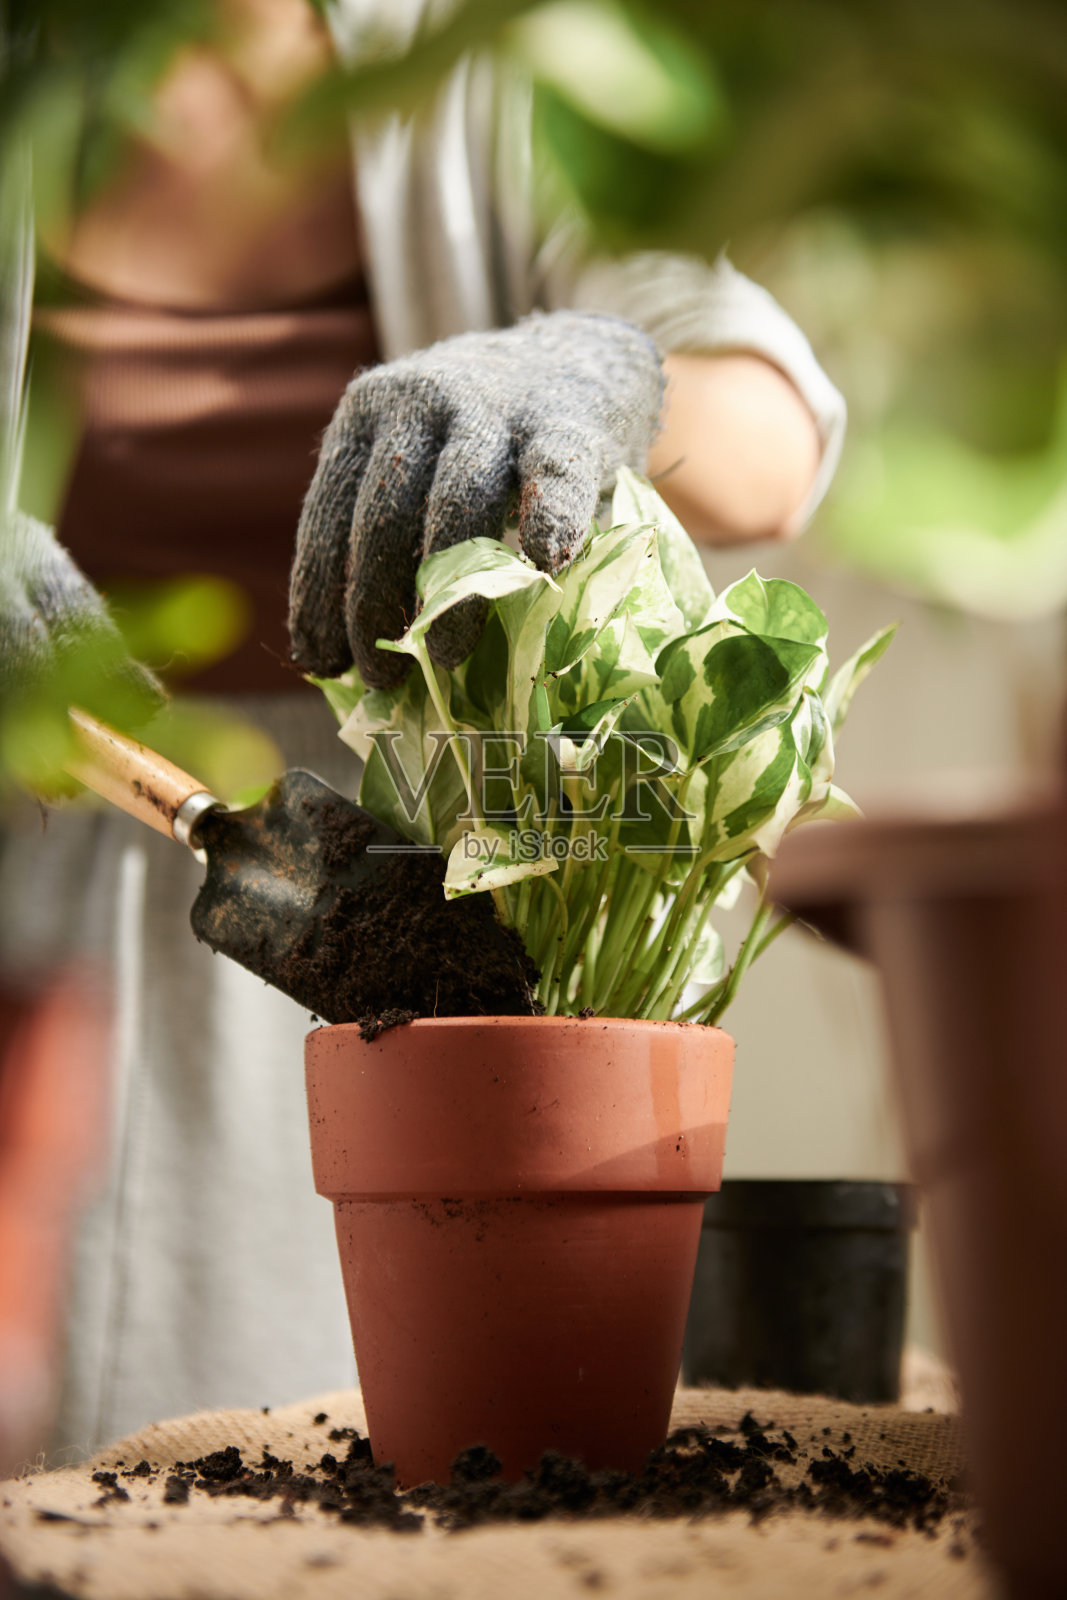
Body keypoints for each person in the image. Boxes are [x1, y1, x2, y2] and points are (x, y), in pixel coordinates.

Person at [0, 0, 845, 1460]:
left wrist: (597, 369)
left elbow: (770, 428)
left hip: (377, 878)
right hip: (34, 871)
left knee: (344, 1466)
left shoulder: (484, 46)